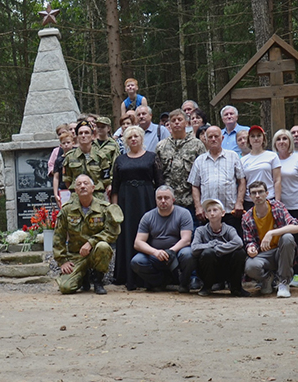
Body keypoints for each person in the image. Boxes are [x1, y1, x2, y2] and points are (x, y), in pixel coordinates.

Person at [110, 126, 164, 290]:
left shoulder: (152, 157)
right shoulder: (120, 160)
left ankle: (148, 275)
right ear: (126, 141)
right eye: (130, 137)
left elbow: (160, 184)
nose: (133, 139)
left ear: (141, 138)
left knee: (147, 234)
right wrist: (115, 209)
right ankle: (127, 276)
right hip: (126, 202)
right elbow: (115, 187)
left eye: (136, 136)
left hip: (146, 200)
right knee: (127, 235)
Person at [53, 174, 122, 295]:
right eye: (79, 184)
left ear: (93, 188)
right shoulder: (67, 210)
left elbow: (112, 232)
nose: (82, 186)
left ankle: (97, 280)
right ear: (75, 189)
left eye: (86, 183)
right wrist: (62, 260)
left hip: (95, 252)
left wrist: (91, 242)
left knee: (103, 247)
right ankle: (82, 277)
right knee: (65, 288)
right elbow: (59, 236)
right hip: (76, 256)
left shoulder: (104, 208)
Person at [242, 180, 298, 298]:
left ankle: (284, 282)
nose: (257, 195)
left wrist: (271, 233)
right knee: (250, 266)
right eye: (254, 193)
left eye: (260, 192)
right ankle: (267, 279)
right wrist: (251, 248)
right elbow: (249, 241)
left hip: (280, 252)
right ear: (250, 196)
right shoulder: (247, 217)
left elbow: (296, 227)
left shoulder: (277, 207)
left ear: (267, 193)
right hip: (263, 255)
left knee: (288, 237)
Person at [130, 186, 196, 293]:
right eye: (159, 198)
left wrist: (171, 251)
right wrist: (155, 252)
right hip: (156, 255)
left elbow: (186, 240)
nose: (163, 201)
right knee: (137, 262)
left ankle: (184, 283)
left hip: (177, 253)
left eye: (166, 198)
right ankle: (161, 282)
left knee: (189, 254)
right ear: (155, 200)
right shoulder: (148, 217)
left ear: (173, 199)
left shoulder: (184, 214)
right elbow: (138, 242)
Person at [188, 125, 246, 233]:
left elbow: (241, 180)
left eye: (216, 136)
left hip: (230, 210)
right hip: (208, 213)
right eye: (210, 137)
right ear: (205, 139)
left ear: (222, 138)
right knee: (209, 246)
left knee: (232, 244)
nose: (213, 139)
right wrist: (198, 207)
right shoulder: (199, 160)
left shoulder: (232, 156)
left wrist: (239, 202)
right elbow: (195, 185)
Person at [273, 129, 298, 287]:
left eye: (285, 139)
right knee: (279, 240)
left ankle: (297, 273)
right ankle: (279, 273)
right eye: (278, 139)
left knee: (295, 240)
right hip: (278, 206)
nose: (282, 141)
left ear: (289, 142)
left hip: (295, 205)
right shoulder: (272, 159)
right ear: (274, 143)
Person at [155, 109, 205, 223]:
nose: (176, 122)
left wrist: (200, 204)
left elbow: (203, 175)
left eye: (179, 120)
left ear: (186, 123)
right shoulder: (161, 146)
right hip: (168, 203)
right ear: (169, 124)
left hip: (190, 202)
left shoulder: (197, 145)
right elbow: (158, 175)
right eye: (173, 120)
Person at [191, 199, 248, 297]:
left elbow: (238, 242)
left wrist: (218, 249)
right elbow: (194, 248)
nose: (212, 213)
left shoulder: (229, 229)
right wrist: (211, 245)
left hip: (227, 267)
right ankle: (207, 286)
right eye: (209, 211)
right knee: (208, 253)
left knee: (240, 253)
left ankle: (236, 288)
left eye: (215, 210)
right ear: (206, 215)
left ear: (223, 213)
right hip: (208, 268)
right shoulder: (200, 230)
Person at [63, 120, 110, 200]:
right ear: (77, 137)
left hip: (97, 196)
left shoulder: (101, 156)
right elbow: (67, 180)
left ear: (92, 136)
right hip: (77, 197)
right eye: (80, 133)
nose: (83, 135)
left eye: (86, 133)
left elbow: (106, 180)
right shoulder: (70, 157)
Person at [241, 126, 282, 209]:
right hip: (250, 200)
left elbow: (277, 180)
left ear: (263, 138)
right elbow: (243, 183)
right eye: (252, 136)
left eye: (259, 135)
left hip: (268, 197)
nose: (256, 138)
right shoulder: (243, 160)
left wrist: (277, 202)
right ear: (249, 140)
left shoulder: (272, 156)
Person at [51, 130, 75, 206]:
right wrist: (55, 193)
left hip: (75, 189)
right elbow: (56, 177)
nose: (66, 145)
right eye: (64, 143)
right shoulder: (58, 160)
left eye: (68, 142)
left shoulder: (77, 157)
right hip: (63, 189)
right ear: (60, 145)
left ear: (73, 143)